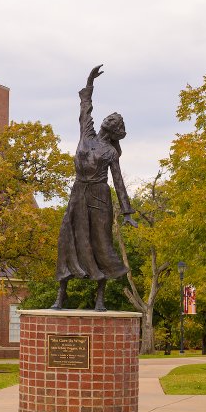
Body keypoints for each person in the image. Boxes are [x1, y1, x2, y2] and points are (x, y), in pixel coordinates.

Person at [51, 65, 137, 311]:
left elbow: (118, 182)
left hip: (99, 197)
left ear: (114, 131)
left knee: (101, 244)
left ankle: (100, 297)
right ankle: (61, 295)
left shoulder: (110, 152)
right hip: (78, 194)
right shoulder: (86, 134)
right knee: (67, 240)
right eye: (110, 118)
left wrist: (127, 212)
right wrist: (90, 83)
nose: (108, 120)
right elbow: (84, 110)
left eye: (113, 121)